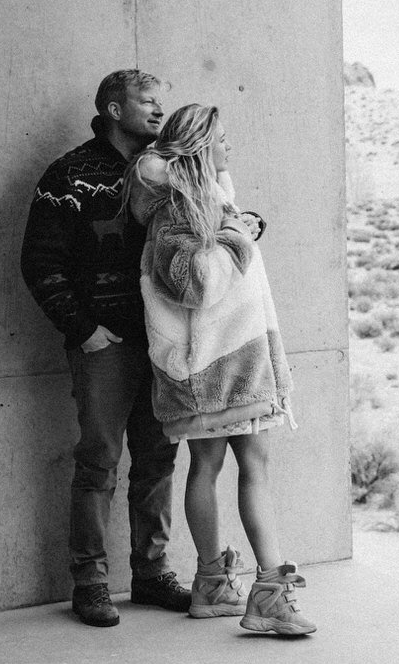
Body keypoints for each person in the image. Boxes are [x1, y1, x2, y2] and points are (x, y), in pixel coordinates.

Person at [125, 104, 313, 636]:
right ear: (202, 148)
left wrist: (237, 223)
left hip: (226, 369)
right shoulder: (179, 212)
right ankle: (268, 597)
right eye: (223, 141)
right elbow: (196, 282)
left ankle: (212, 585)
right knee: (245, 471)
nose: (230, 148)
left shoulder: (200, 204)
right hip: (216, 373)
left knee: (217, 470)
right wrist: (236, 234)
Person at [20, 69, 193, 627]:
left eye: (160, 101)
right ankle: (90, 582)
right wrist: (82, 328)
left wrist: (245, 224)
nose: (159, 110)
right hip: (105, 344)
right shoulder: (68, 175)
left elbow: (204, 225)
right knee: (98, 462)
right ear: (115, 110)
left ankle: (150, 573)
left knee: (158, 460)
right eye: (147, 101)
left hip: (164, 340)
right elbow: (40, 263)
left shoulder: (171, 172)